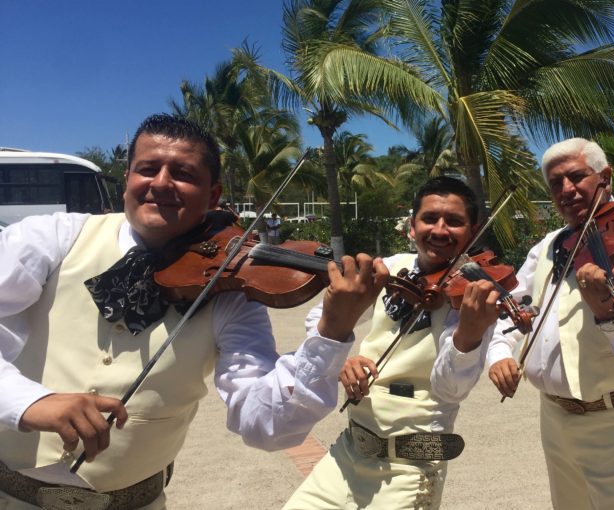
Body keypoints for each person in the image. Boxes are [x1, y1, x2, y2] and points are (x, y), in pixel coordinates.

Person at [0, 114, 388, 509]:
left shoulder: (230, 289)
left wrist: (332, 330)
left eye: (183, 173)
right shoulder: (52, 238)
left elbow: (266, 426)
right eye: (147, 169)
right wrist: (26, 401)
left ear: (213, 196)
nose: (162, 183)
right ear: (127, 180)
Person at [283, 176, 501, 509]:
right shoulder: (390, 268)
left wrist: (468, 336)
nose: (440, 230)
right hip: (348, 451)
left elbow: (450, 390)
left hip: (410, 467)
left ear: (472, 232)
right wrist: (341, 357)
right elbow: (320, 319)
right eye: (430, 218)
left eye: (454, 222)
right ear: (412, 226)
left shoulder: (473, 297)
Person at [487, 138, 614, 509]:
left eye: (577, 177)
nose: (566, 190)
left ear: (604, 177)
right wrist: (498, 352)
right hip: (554, 415)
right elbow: (513, 306)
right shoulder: (548, 245)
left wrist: (612, 315)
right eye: (556, 183)